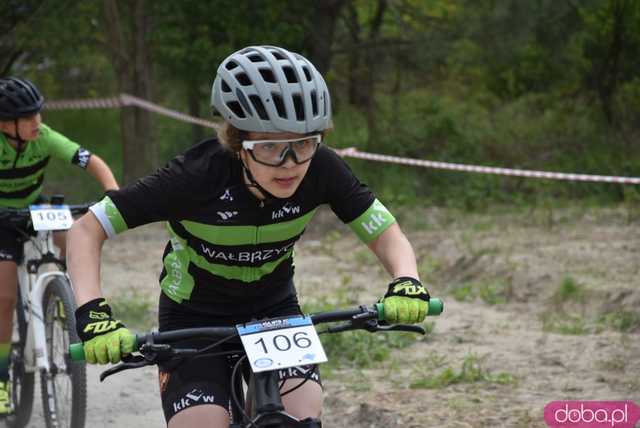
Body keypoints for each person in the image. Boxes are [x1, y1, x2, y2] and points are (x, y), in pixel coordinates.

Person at [67, 45, 430, 428]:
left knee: (302, 415)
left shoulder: (322, 168)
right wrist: (93, 315)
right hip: (193, 315)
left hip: (274, 310)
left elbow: (385, 232)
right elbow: (86, 230)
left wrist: (407, 280)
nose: (290, 165)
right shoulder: (194, 177)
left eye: (304, 143)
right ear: (237, 142)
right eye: (270, 147)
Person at [0, 77, 119, 415]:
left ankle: (71, 301)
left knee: (73, 231)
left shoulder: (45, 137)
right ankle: (1, 380)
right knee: (4, 297)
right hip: (0, 218)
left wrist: (113, 193)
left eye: (38, 114)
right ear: (7, 125)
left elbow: (92, 161)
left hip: (32, 205)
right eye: (29, 118)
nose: (38, 122)